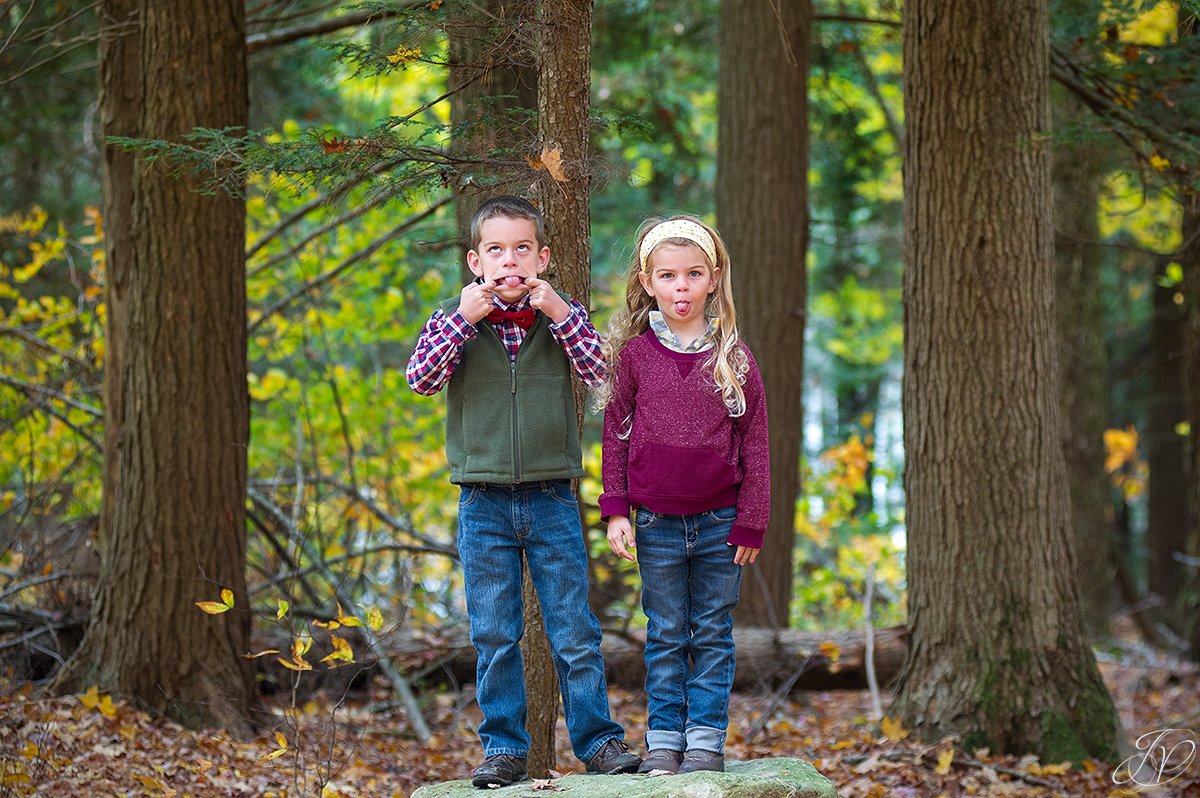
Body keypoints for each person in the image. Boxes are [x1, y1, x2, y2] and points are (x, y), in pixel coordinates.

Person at [406, 195, 641, 788]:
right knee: (494, 632)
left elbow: (605, 375)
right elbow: (421, 380)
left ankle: (600, 744)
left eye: (521, 249)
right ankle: (505, 749)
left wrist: (561, 312)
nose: (509, 261)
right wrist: (464, 319)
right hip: (481, 500)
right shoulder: (452, 321)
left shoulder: (561, 319)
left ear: (543, 257)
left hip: (552, 497)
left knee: (574, 630)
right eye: (495, 250)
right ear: (475, 262)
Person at [595, 216, 769, 775]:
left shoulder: (734, 358)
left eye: (694, 274)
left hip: (721, 523)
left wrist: (752, 521)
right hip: (656, 524)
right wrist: (616, 509)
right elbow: (615, 434)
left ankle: (705, 741)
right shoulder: (636, 356)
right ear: (648, 282)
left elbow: (757, 446)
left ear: (713, 279)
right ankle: (665, 740)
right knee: (666, 632)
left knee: (713, 634)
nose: (681, 287)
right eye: (668, 276)